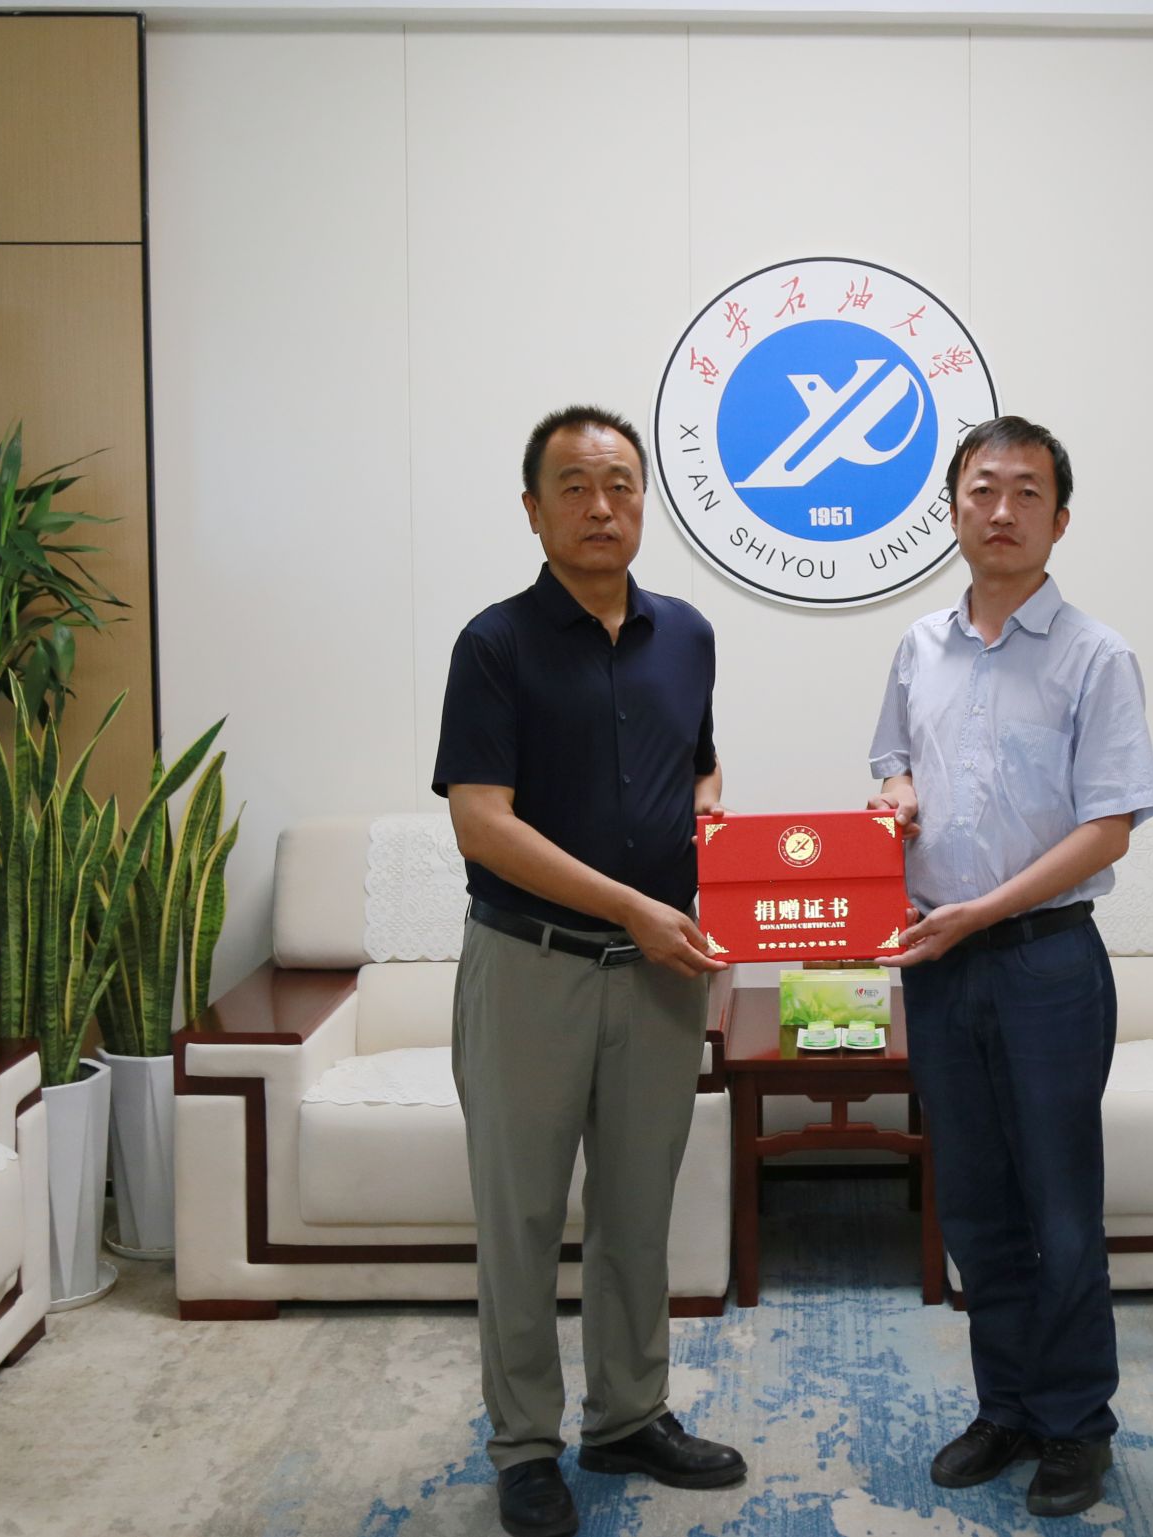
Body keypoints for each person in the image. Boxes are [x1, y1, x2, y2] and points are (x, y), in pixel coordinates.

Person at [434, 405, 745, 1537]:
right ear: (533, 509)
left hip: (660, 976)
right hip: (532, 967)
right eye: (573, 485)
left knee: (635, 1209)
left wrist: (720, 858)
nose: (599, 506)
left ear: (644, 502)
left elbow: (700, 772)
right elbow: (481, 821)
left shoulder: (689, 636)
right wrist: (631, 906)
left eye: (619, 484)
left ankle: (628, 1415)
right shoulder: (494, 645)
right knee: (520, 1216)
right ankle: (525, 1445)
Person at [866, 415, 1153, 1520]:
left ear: (1059, 519)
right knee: (976, 1202)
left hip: (1045, 963)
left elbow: (1109, 826)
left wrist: (982, 911)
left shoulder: (1095, 656)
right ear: (951, 509)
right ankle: (1006, 1407)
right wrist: (895, 795)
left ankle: (1076, 1424)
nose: (1002, 510)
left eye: (1027, 492)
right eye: (982, 488)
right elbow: (891, 760)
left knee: (1059, 1207)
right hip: (939, 967)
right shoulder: (917, 646)